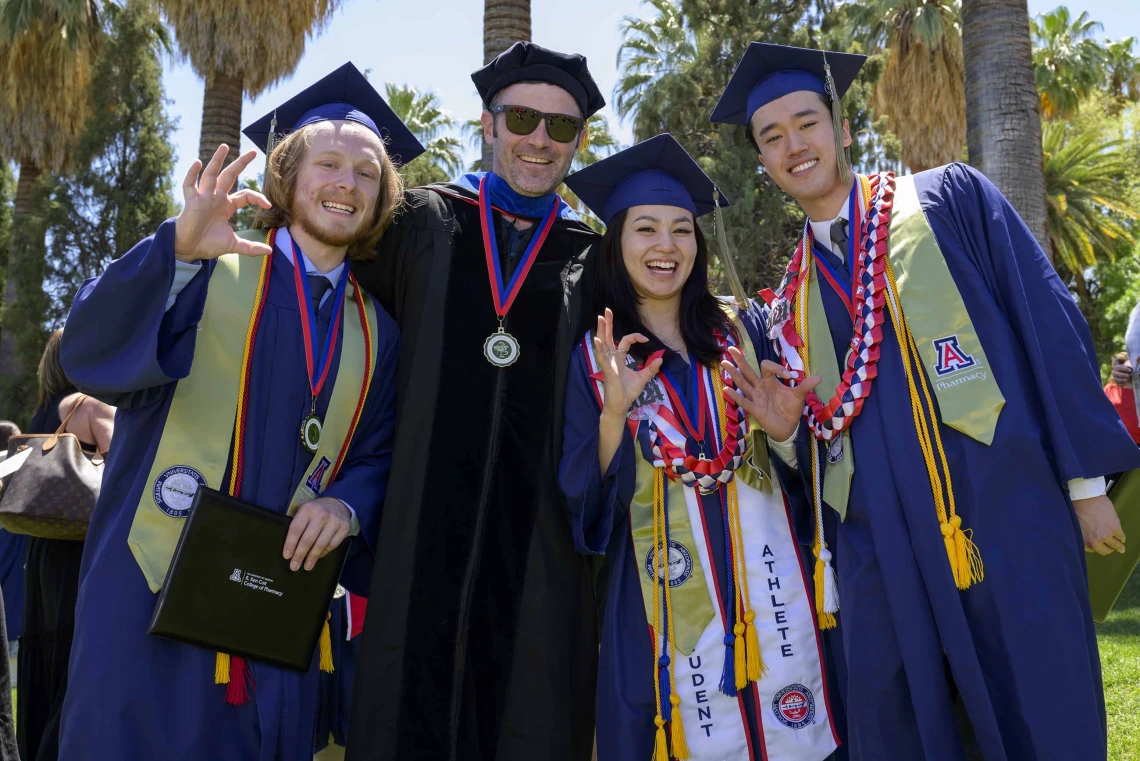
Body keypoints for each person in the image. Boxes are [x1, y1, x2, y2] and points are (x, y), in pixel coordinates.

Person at [708, 42, 1140, 761]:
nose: (794, 146)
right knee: (908, 723)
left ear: (842, 129)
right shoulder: (790, 300)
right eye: (771, 137)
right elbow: (820, 427)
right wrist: (786, 435)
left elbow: (1046, 319)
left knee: (1042, 703)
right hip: (885, 554)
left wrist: (1086, 484)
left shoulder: (947, 198)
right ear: (761, 160)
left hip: (1007, 514)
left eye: (806, 123)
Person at [56, 63, 413, 760]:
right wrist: (177, 250)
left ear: (383, 197)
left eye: (367, 173)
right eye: (328, 163)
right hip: (147, 599)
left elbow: (379, 454)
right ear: (287, 176)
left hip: (274, 618)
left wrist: (347, 504)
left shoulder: (379, 335)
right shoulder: (205, 269)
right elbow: (89, 347)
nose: (346, 183)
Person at [347, 41, 605, 761]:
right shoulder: (419, 223)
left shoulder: (593, 258)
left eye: (561, 127)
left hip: (540, 568)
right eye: (522, 117)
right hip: (413, 541)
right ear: (488, 124)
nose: (539, 140)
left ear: (579, 142)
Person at [559, 134, 841, 761]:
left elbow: (806, 472)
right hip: (661, 603)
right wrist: (612, 413)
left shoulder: (746, 332)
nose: (666, 246)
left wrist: (788, 432)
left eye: (682, 229)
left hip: (775, 587)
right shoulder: (593, 362)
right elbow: (584, 503)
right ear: (616, 243)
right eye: (646, 229)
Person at [16, 329, 115, 761]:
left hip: (42, 548)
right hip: (81, 546)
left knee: (45, 654)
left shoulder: (41, 414)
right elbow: (129, 464)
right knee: (80, 657)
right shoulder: (89, 406)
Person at [1105, 352, 1140, 444]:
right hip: (1119, 443)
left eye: (1119, 368)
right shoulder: (1109, 388)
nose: (1115, 372)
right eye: (1113, 369)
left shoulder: (1138, 388)